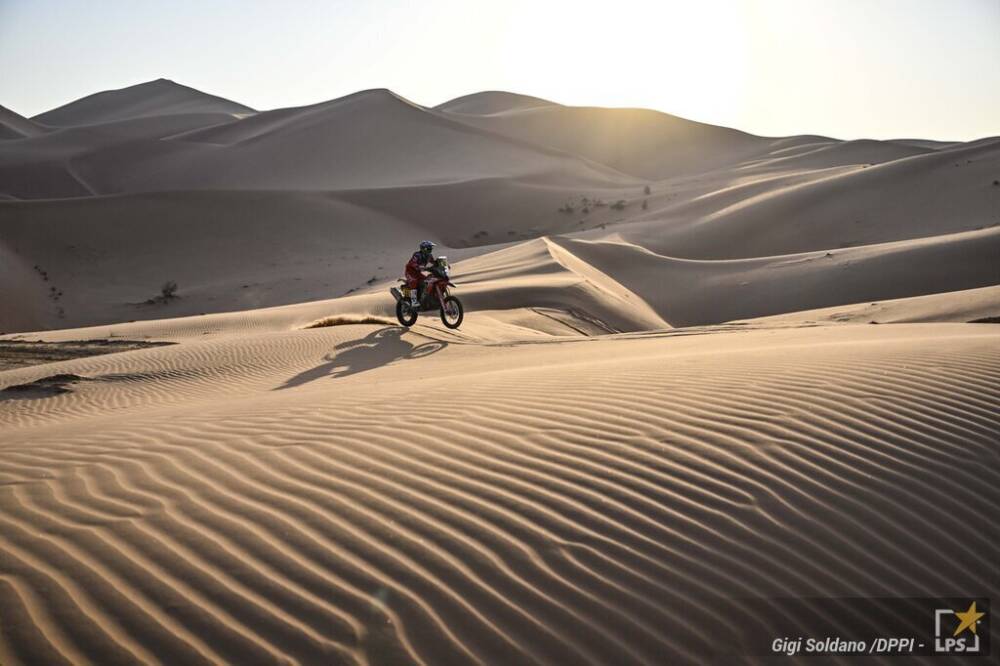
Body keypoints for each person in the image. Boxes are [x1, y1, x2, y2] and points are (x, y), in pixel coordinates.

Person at [404, 240, 436, 306]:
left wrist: (442, 264)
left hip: (418, 273)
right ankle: (414, 301)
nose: (430, 250)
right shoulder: (417, 255)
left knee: (428, 281)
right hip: (410, 272)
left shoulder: (429, 256)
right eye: (429, 248)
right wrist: (418, 266)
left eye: (431, 248)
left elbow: (434, 262)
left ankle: (426, 298)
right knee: (414, 282)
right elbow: (413, 262)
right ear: (424, 248)